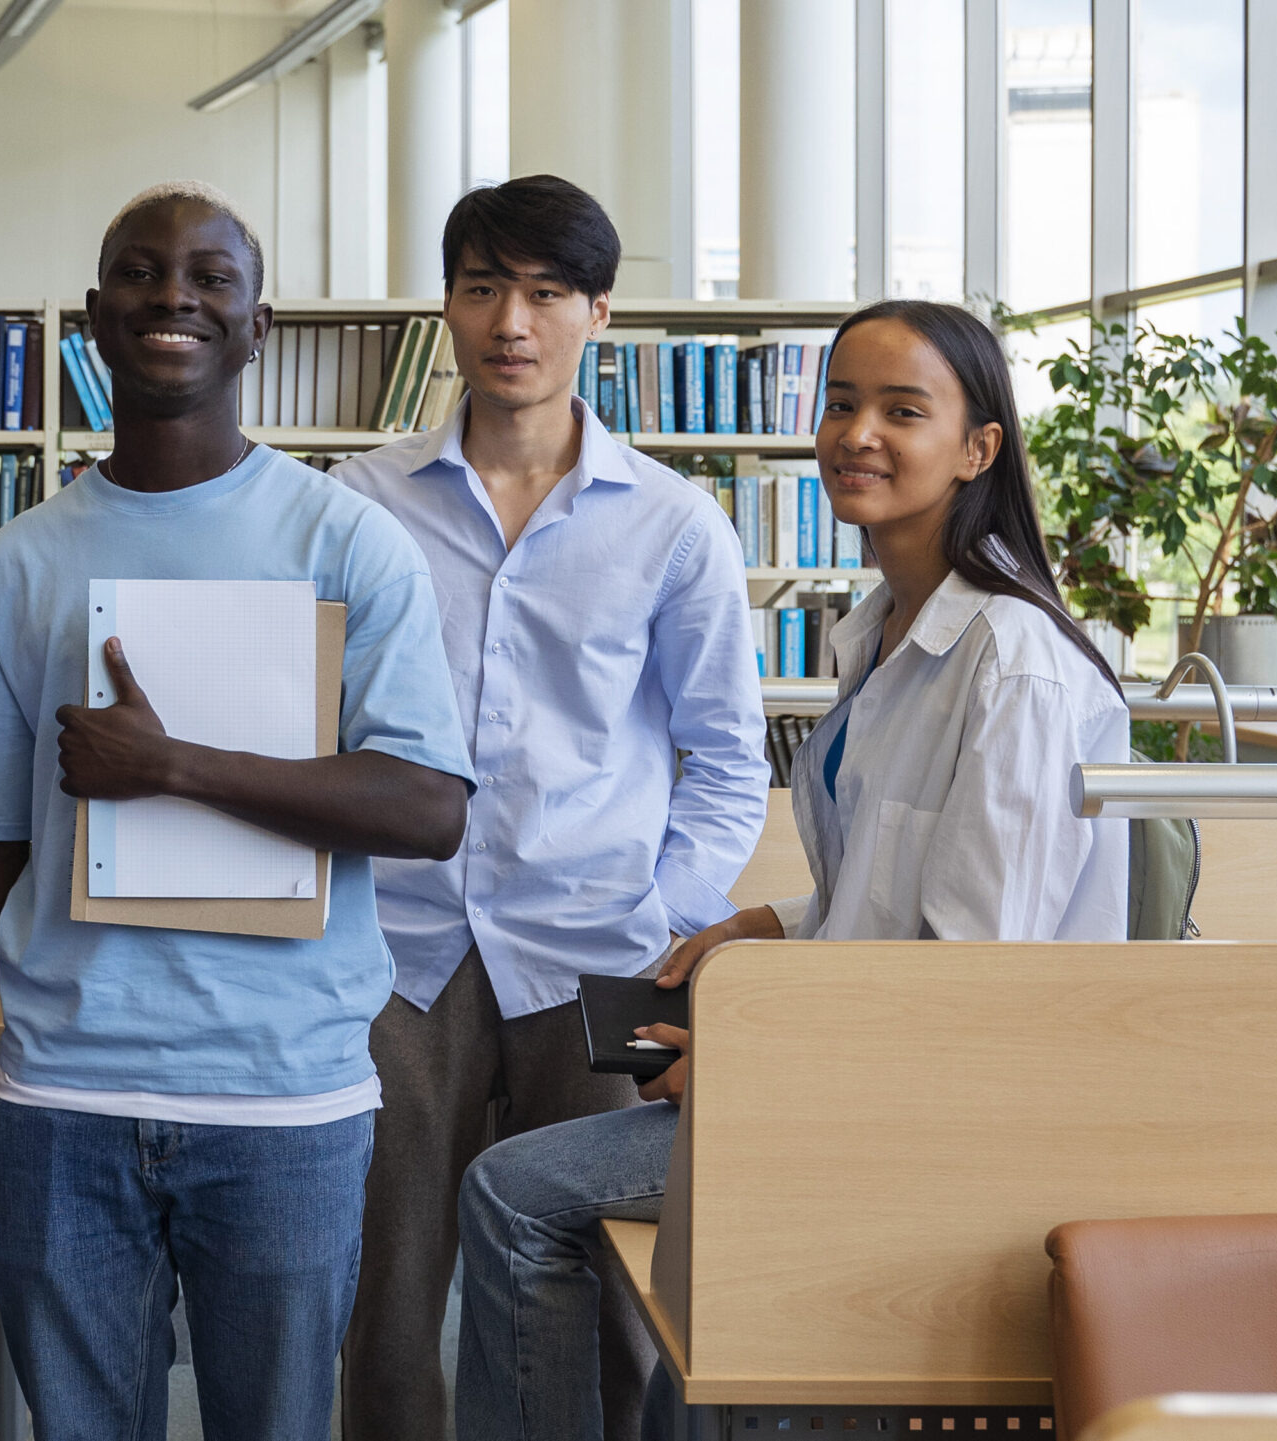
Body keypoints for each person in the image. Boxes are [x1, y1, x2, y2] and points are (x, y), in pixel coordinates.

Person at [451, 298, 1130, 1441]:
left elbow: (976, 974)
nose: (856, 433)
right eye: (841, 403)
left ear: (977, 449)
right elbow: (907, 880)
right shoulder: (879, 630)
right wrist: (770, 919)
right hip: (859, 1074)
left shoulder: (1012, 668)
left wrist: (747, 1063)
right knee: (660, 1292)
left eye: (901, 411)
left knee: (513, 1196)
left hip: (926, 1110)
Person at [0, 181, 479, 1441]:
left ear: (257, 322)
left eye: (209, 276)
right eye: (139, 272)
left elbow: (429, 806)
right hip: (64, 1095)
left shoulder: (349, 544)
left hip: (286, 1098)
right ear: (96, 318)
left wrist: (174, 766)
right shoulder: (20, 564)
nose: (173, 294)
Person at [329, 175, 769, 1441]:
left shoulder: (676, 524)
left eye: (543, 292)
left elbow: (727, 754)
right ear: (449, 307)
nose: (509, 321)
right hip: (400, 948)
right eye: (481, 289)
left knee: (605, 1285)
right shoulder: (361, 505)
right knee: (390, 1294)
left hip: (597, 948)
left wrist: (665, 921)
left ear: (598, 314)